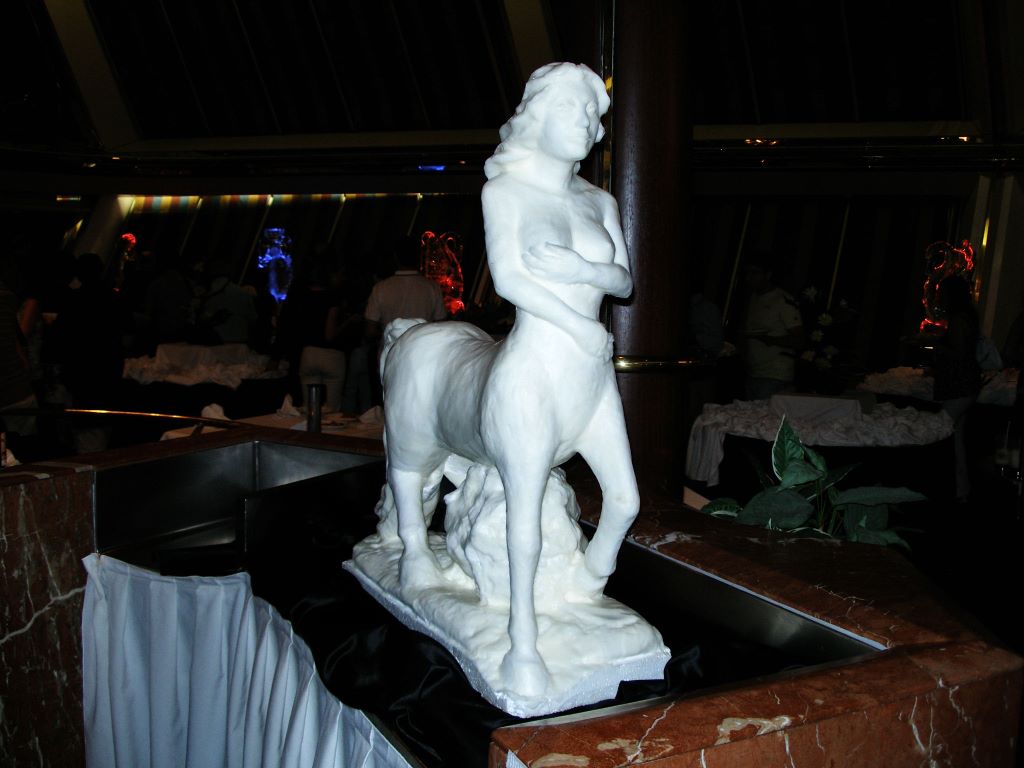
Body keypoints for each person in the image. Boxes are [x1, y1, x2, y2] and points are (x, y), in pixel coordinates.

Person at [931, 275, 981, 502]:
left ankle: (954, 487)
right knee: (957, 435)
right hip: (965, 385)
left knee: (942, 430)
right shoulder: (967, 317)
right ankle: (961, 489)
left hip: (959, 385)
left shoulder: (959, 319)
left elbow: (959, 353)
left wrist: (938, 347)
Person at [740, 252, 804, 400]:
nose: (749, 278)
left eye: (754, 273)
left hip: (775, 375)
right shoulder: (754, 297)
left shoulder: (783, 300)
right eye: (747, 273)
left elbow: (799, 340)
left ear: (768, 275)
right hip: (754, 372)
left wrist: (769, 339)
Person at [364, 236, 446, 343]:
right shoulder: (432, 287)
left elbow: (370, 331)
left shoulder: (381, 288)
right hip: (420, 347)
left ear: (395, 257)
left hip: (390, 350)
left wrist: (389, 335)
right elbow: (441, 325)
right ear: (419, 257)